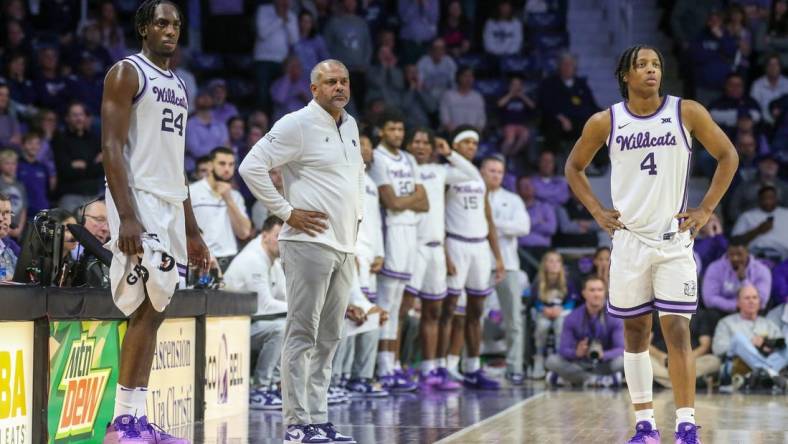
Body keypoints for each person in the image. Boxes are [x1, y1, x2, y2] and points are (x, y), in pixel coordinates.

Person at [565, 45, 738, 443]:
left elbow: (728, 155)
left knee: (677, 330)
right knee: (636, 333)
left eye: (656, 64)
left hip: (674, 241)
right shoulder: (605, 121)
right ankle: (645, 425)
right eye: (642, 65)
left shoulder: (686, 111)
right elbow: (573, 167)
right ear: (626, 74)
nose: (651, 70)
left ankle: (686, 425)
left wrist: (706, 208)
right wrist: (595, 210)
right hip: (628, 243)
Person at [101, 1, 210, 442]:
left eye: (176, 24)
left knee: (157, 308)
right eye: (162, 23)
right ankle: (122, 423)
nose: (171, 30)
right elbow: (111, 146)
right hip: (138, 199)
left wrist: (192, 227)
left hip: (168, 201)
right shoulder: (127, 72)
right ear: (144, 28)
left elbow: (176, 163)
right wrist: (127, 215)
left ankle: (134, 419)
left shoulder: (179, 84)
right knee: (144, 307)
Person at [239, 59, 362, 444]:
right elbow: (251, 166)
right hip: (308, 243)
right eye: (330, 82)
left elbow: (350, 183)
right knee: (302, 333)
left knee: (329, 338)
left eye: (343, 81)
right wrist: (286, 212)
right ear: (314, 88)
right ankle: (296, 423)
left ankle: (319, 418)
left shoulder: (351, 124)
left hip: (343, 246)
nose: (339, 88)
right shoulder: (296, 123)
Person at [403, 127, 478, 390]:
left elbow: (472, 174)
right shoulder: (403, 167)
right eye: (417, 141)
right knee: (403, 311)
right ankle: (397, 368)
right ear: (409, 145)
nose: (422, 146)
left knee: (433, 311)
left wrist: (450, 154)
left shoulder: (439, 170)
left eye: (427, 142)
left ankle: (429, 369)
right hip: (412, 246)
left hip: (436, 248)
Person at [367, 109, 427, 392]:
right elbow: (390, 202)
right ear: (381, 131)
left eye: (401, 130)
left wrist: (407, 200)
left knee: (399, 305)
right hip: (391, 231)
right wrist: (409, 199)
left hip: (411, 233)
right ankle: (382, 366)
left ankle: (391, 363)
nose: (398, 135)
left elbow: (424, 202)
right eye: (392, 129)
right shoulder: (378, 158)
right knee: (387, 302)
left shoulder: (409, 158)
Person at [443, 125, 505, 389]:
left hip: (479, 247)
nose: (471, 147)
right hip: (456, 242)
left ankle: (472, 366)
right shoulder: (446, 174)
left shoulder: (479, 179)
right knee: (451, 311)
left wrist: (498, 257)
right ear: (455, 146)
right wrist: (445, 252)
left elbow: (488, 218)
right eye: (466, 142)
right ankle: (445, 366)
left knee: (476, 311)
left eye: (474, 143)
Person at [223, 216, 287, 410]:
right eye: (278, 236)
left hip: (247, 323)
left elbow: (285, 298)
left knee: (292, 324)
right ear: (265, 235)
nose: (283, 242)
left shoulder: (272, 261)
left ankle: (276, 383)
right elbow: (265, 306)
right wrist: (300, 309)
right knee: (281, 328)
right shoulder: (253, 259)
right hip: (227, 328)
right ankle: (259, 388)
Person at [481, 154, 530, 383]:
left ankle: (514, 367)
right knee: (471, 317)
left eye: (500, 172)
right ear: (482, 172)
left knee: (514, 321)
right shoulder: (472, 196)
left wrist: (490, 224)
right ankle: (468, 365)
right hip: (478, 264)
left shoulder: (512, 199)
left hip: (508, 265)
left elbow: (523, 227)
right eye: (492, 171)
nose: (496, 175)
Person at [545, 276, 625, 387]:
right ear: (584, 293)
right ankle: (599, 380)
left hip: (605, 363)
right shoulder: (572, 317)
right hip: (580, 363)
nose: (596, 294)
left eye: (600, 290)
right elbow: (563, 349)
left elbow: (621, 349)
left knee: (623, 362)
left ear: (605, 293)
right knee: (552, 361)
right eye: (592, 290)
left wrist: (604, 355)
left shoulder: (615, 317)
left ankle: (570, 379)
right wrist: (576, 353)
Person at [712, 285, 787, 390]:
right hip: (737, 366)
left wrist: (767, 345)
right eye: (747, 298)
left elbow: (781, 347)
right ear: (738, 302)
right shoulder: (726, 323)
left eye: (755, 297)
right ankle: (768, 373)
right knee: (738, 339)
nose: (751, 301)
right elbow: (718, 349)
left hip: (767, 360)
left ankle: (759, 375)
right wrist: (748, 345)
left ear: (759, 301)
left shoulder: (768, 324)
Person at [188, 147, 252, 269]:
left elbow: (244, 233)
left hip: (231, 260)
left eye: (231, 164)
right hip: (201, 260)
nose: (227, 169)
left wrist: (229, 200)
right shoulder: (192, 192)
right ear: (210, 165)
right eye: (222, 164)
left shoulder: (235, 196)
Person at [530, 250, 577, 378]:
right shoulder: (539, 281)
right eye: (550, 261)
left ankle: (559, 359)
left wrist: (561, 310)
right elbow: (534, 300)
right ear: (544, 264)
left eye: (557, 261)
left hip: (562, 312)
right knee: (542, 326)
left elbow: (572, 300)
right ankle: (538, 359)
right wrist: (543, 309)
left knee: (560, 326)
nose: (554, 264)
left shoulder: (567, 280)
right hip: (544, 312)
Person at [702, 240, 772, 323]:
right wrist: (736, 305)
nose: (735, 258)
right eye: (731, 254)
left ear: (747, 253)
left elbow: (762, 300)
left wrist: (744, 280)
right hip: (722, 311)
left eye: (739, 254)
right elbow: (709, 299)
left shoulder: (762, 270)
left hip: (750, 311)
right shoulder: (715, 268)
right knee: (709, 314)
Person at [649, 310, 721, 389]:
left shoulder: (699, 313)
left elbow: (705, 345)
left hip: (691, 361)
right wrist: (661, 356)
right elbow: (646, 343)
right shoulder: (656, 312)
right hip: (662, 361)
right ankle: (683, 382)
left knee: (714, 361)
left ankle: (669, 382)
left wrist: (687, 358)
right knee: (645, 359)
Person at [731, 184, 788, 261]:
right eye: (764, 198)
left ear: (776, 199)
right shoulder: (747, 216)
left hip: (784, 257)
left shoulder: (786, 214)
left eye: (771, 198)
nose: (768, 201)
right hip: (755, 257)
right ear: (759, 199)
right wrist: (757, 230)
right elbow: (734, 242)